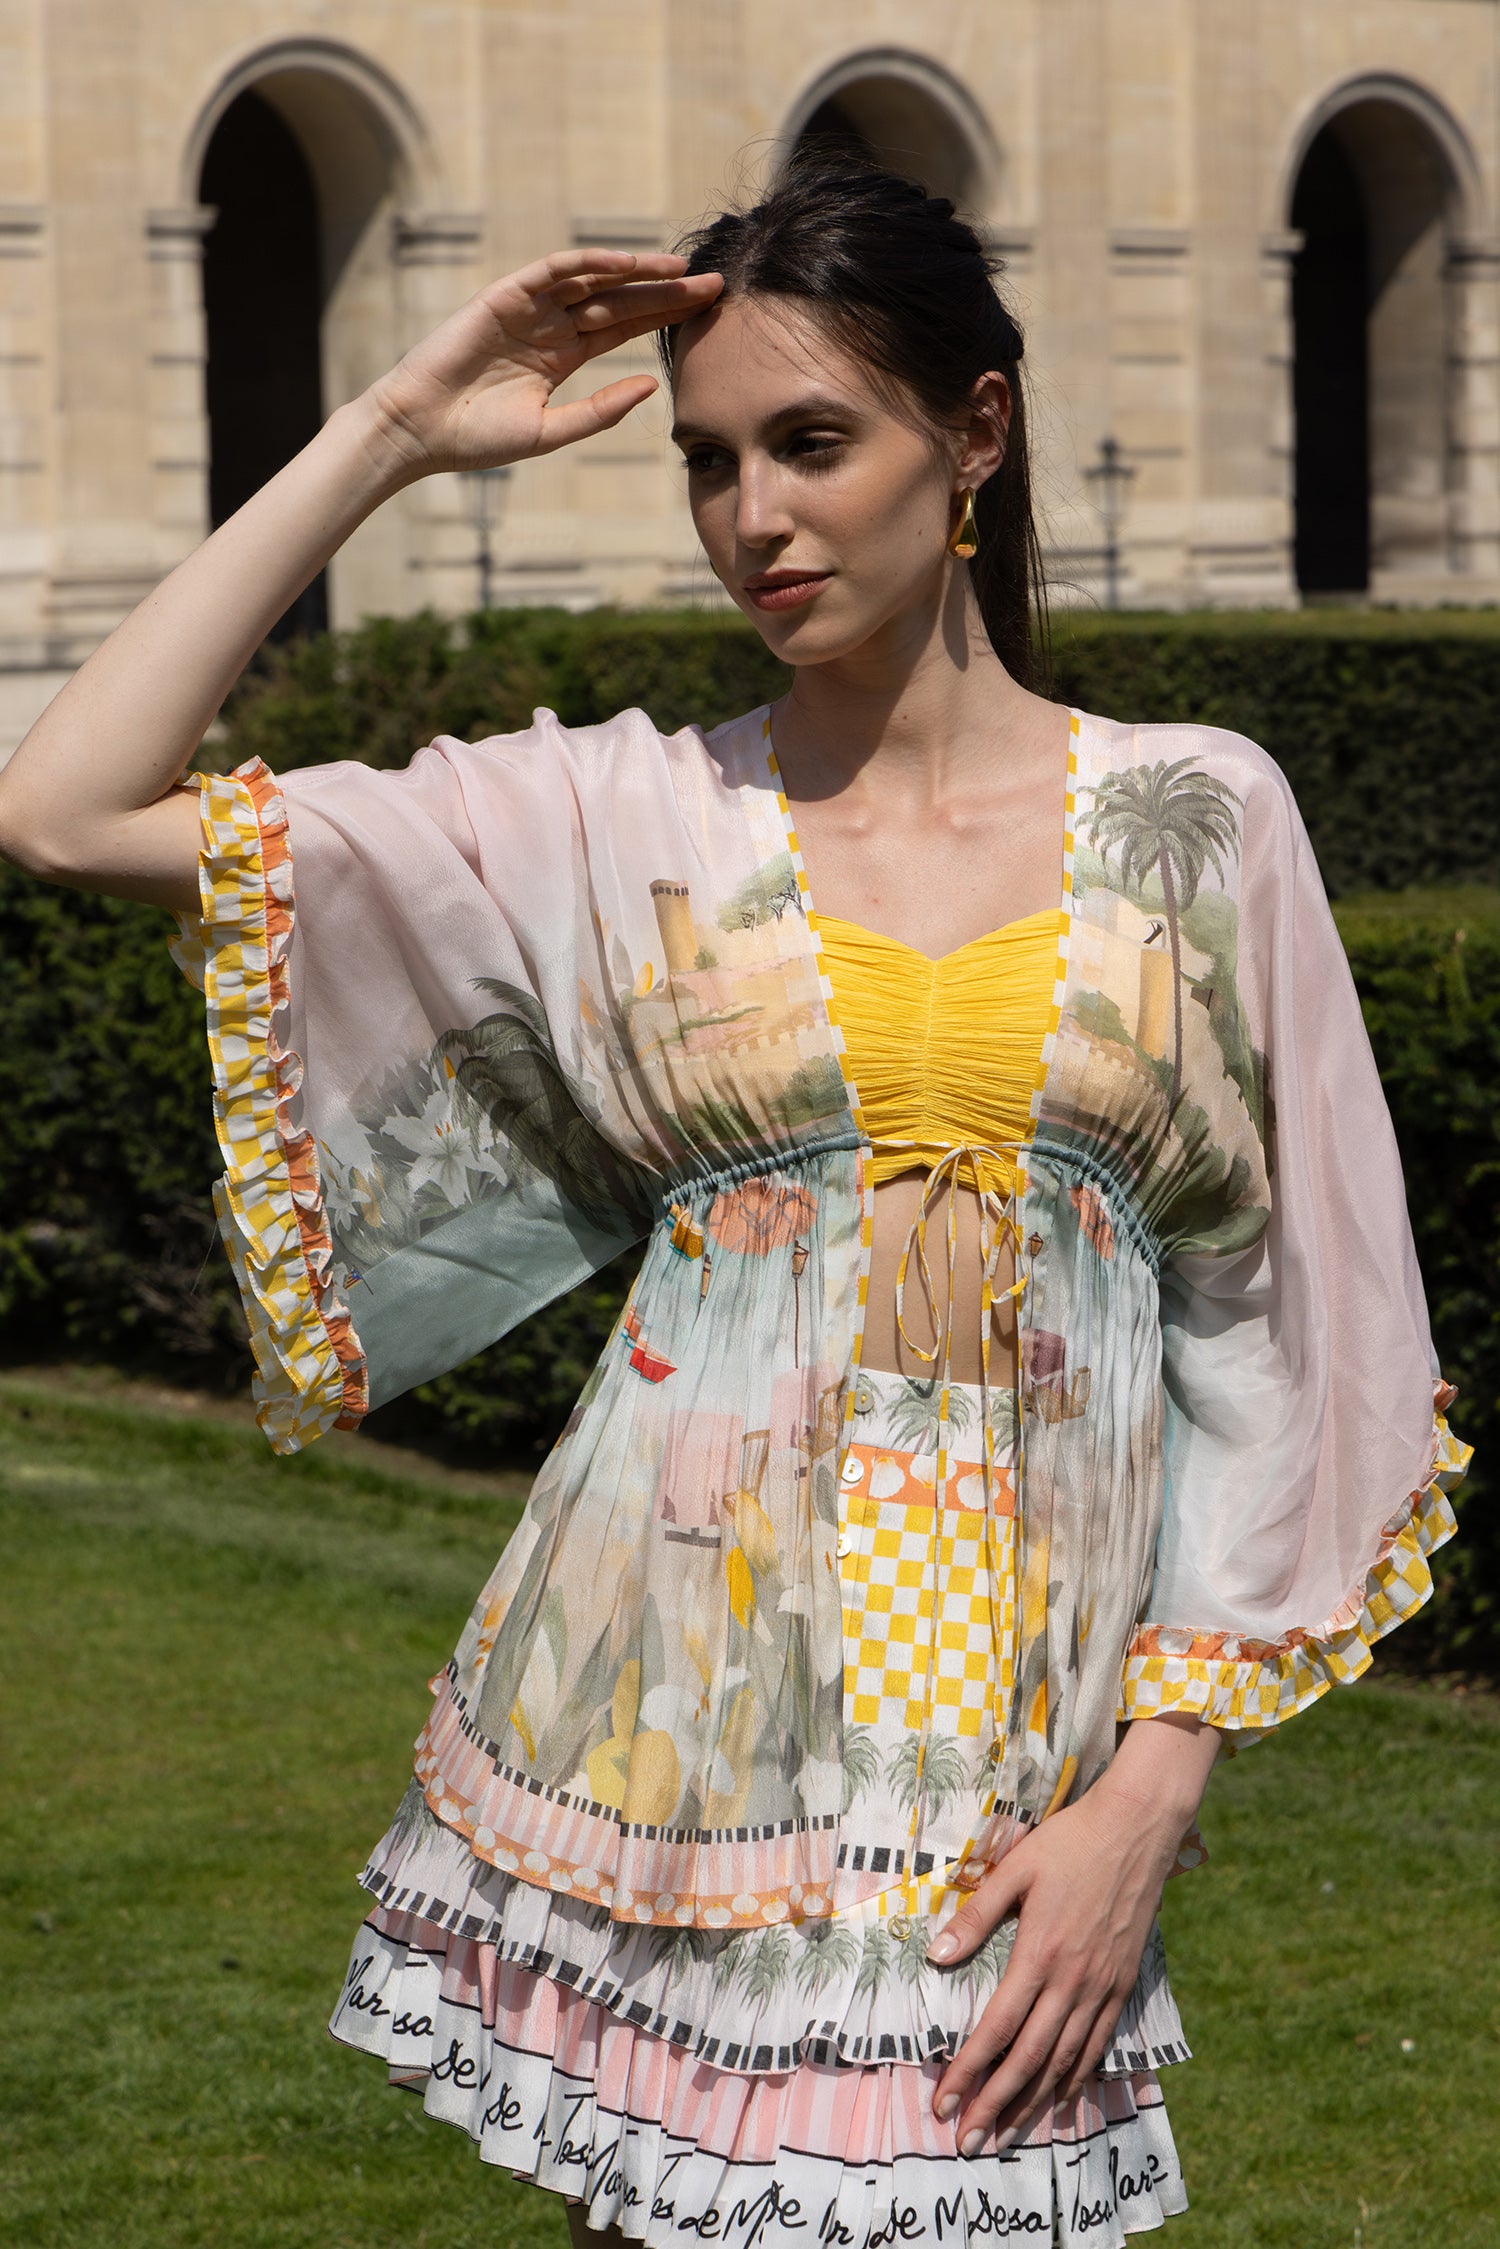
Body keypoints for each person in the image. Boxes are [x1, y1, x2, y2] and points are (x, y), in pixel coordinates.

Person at [0, 153, 1469, 2249]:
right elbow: (66, 808)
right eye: (707, 461)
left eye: (811, 442)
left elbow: (1287, 1332)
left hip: (1017, 1800)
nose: (751, 517)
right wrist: (396, 429)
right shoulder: (624, 815)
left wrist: (1154, 1795)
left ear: (975, 432)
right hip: (673, 1767)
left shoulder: (1198, 818)